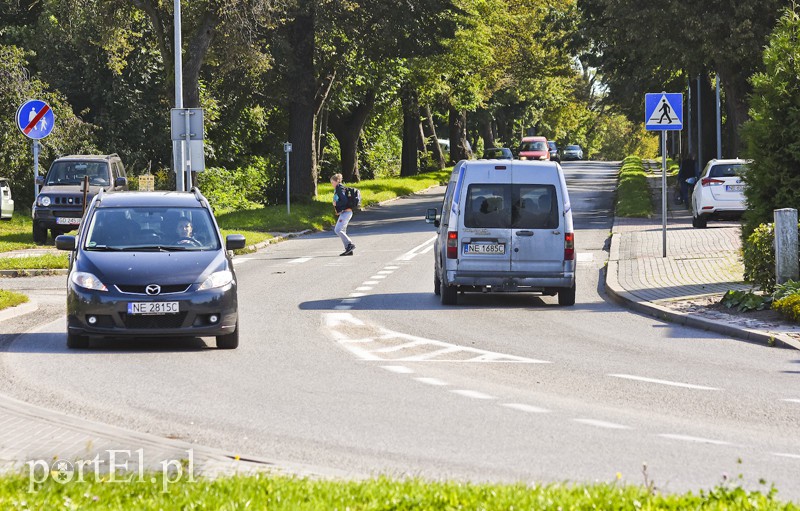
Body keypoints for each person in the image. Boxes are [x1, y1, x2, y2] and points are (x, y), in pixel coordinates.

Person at [330, 173, 355, 256]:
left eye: (332, 182)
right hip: (345, 212)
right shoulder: (339, 188)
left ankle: (350, 244)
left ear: (337, 181)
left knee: (337, 230)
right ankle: (348, 249)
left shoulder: (339, 188)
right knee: (342, 230)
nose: (332, 184)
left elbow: (344, 201)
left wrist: (336, 204)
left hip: (346, 212)